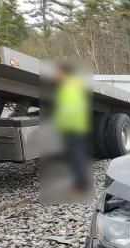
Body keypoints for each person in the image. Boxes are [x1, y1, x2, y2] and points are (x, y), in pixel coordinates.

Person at [53, 62, 91, 195]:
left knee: (76, 157)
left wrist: (60, 125)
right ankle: (81, 184)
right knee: (76, 157)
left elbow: (68, 110)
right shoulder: (72, 85)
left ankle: (80, 187)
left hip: (72, 128)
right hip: (75, 127)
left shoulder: (68, 87)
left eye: (57, 72)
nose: (55, 75)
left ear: (64, 73)